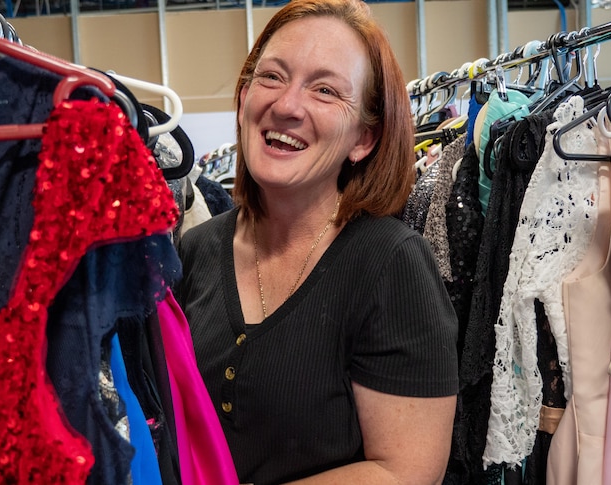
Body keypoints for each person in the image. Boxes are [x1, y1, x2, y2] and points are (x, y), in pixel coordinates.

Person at [175, 0, 459, 483]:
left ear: (363, 139)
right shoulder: (193, 251)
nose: (286, 106)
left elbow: (407, 471)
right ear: (244, 99)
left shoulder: (389, 264)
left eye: (325, 90)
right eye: (271, 77)